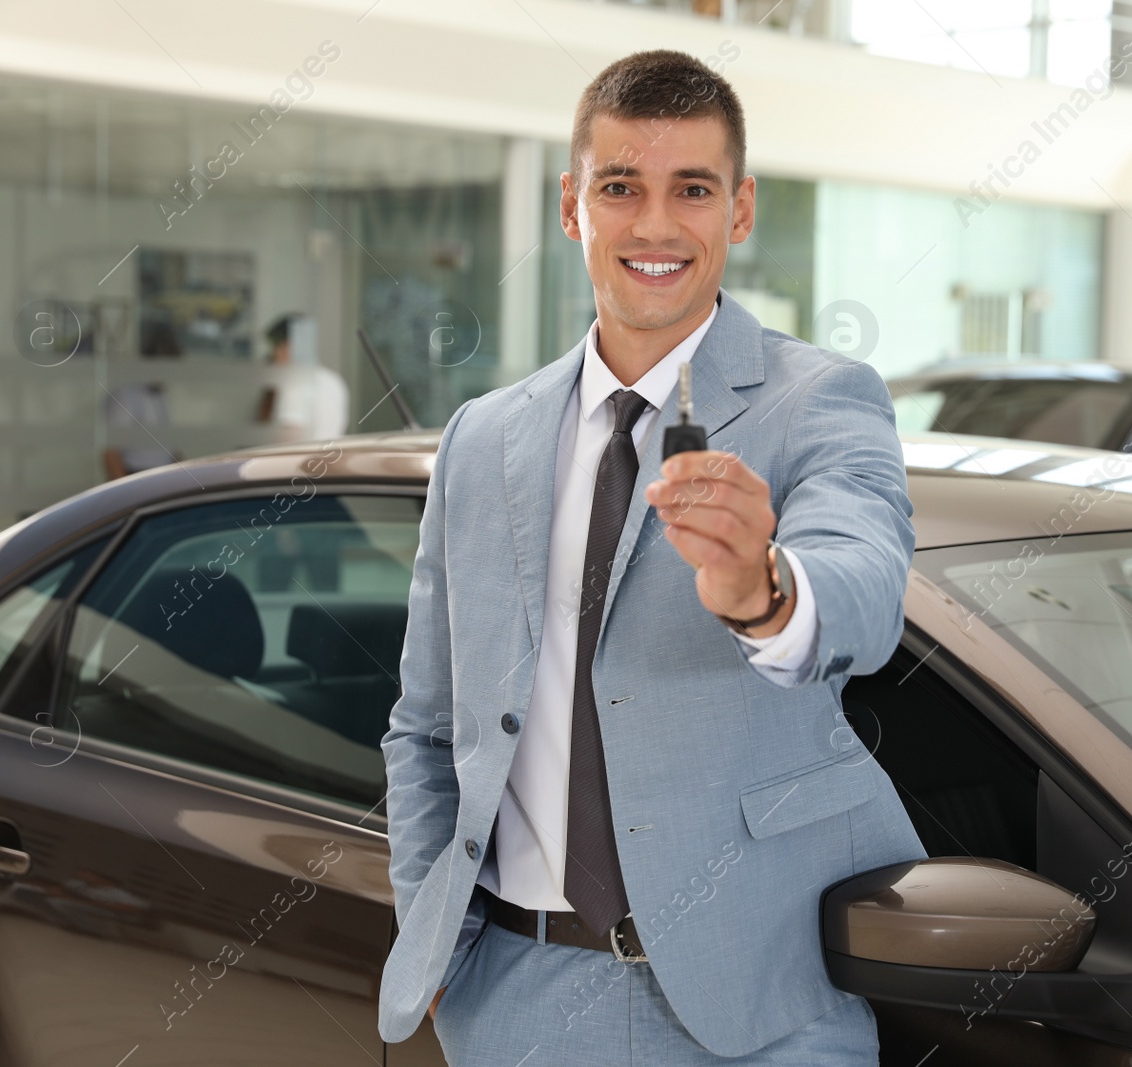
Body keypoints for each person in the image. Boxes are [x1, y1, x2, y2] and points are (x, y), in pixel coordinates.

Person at [378, 49, 924, 1064]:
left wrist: (763, 590)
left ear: (741, 209)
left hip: (758, 1008)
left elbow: (863, 583)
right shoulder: (481, 437)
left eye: (693, 190)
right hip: (513, 995)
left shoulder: (822, 399)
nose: (657, 226)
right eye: (621, 187)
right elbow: (424, 726)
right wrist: (437, 939)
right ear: (571, 206)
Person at [264, 313, 349, 441]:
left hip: (302, 460)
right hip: (331, 458)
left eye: (275, 347)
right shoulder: (334, 380)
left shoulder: (294, 383)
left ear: (287, 346)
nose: (273, 355)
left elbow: (290, 439)